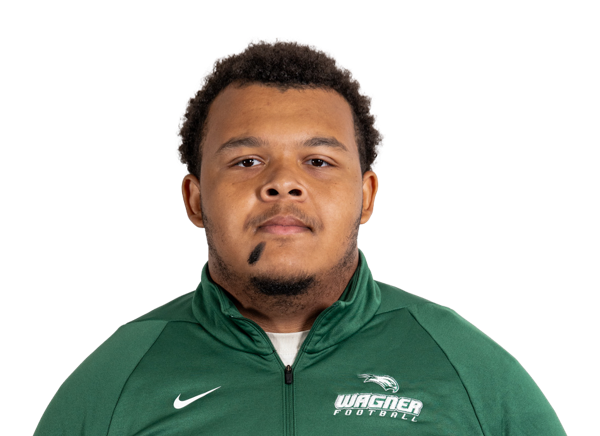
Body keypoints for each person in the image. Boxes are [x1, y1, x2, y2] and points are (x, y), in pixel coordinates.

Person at [34, 37, 566, 435]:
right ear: (194, 198)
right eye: (247, 160)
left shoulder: (472, 372)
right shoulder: (113, 383)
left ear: (366, 196)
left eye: (317, 161)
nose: (283, 184)